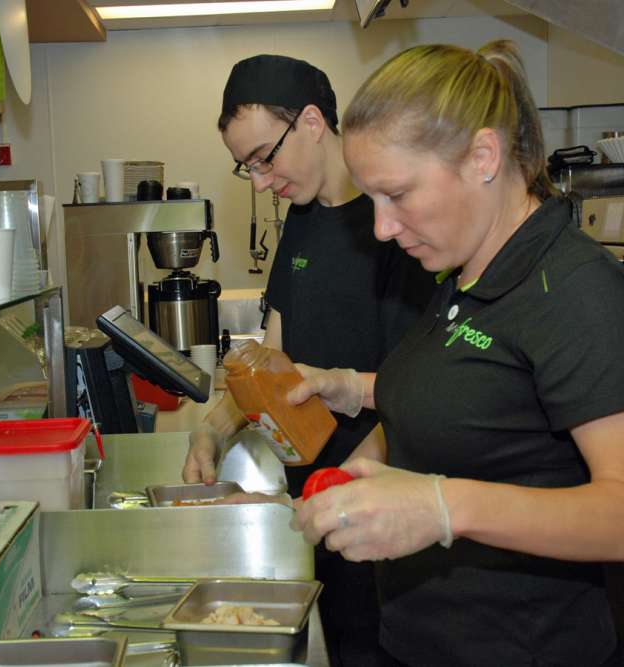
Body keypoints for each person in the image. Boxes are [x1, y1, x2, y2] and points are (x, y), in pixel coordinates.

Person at [288, 41, 624, 666]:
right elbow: (436, 404)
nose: (382, 229)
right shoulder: (462, 275)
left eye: (398, 195)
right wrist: (327, 493)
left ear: (483, 157)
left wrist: (444, 507)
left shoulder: (576, 292)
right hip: (418, 640)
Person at [181, 54, 433, 666]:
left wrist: (337, 487)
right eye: (247, 168)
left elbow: (424, 394)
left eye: (265, 156)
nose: (262, 180)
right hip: (315, 510)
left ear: (314, 121)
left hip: (385, 519)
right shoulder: (301, 224)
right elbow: (273, 362)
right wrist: (210, 430)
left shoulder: (400, 226)